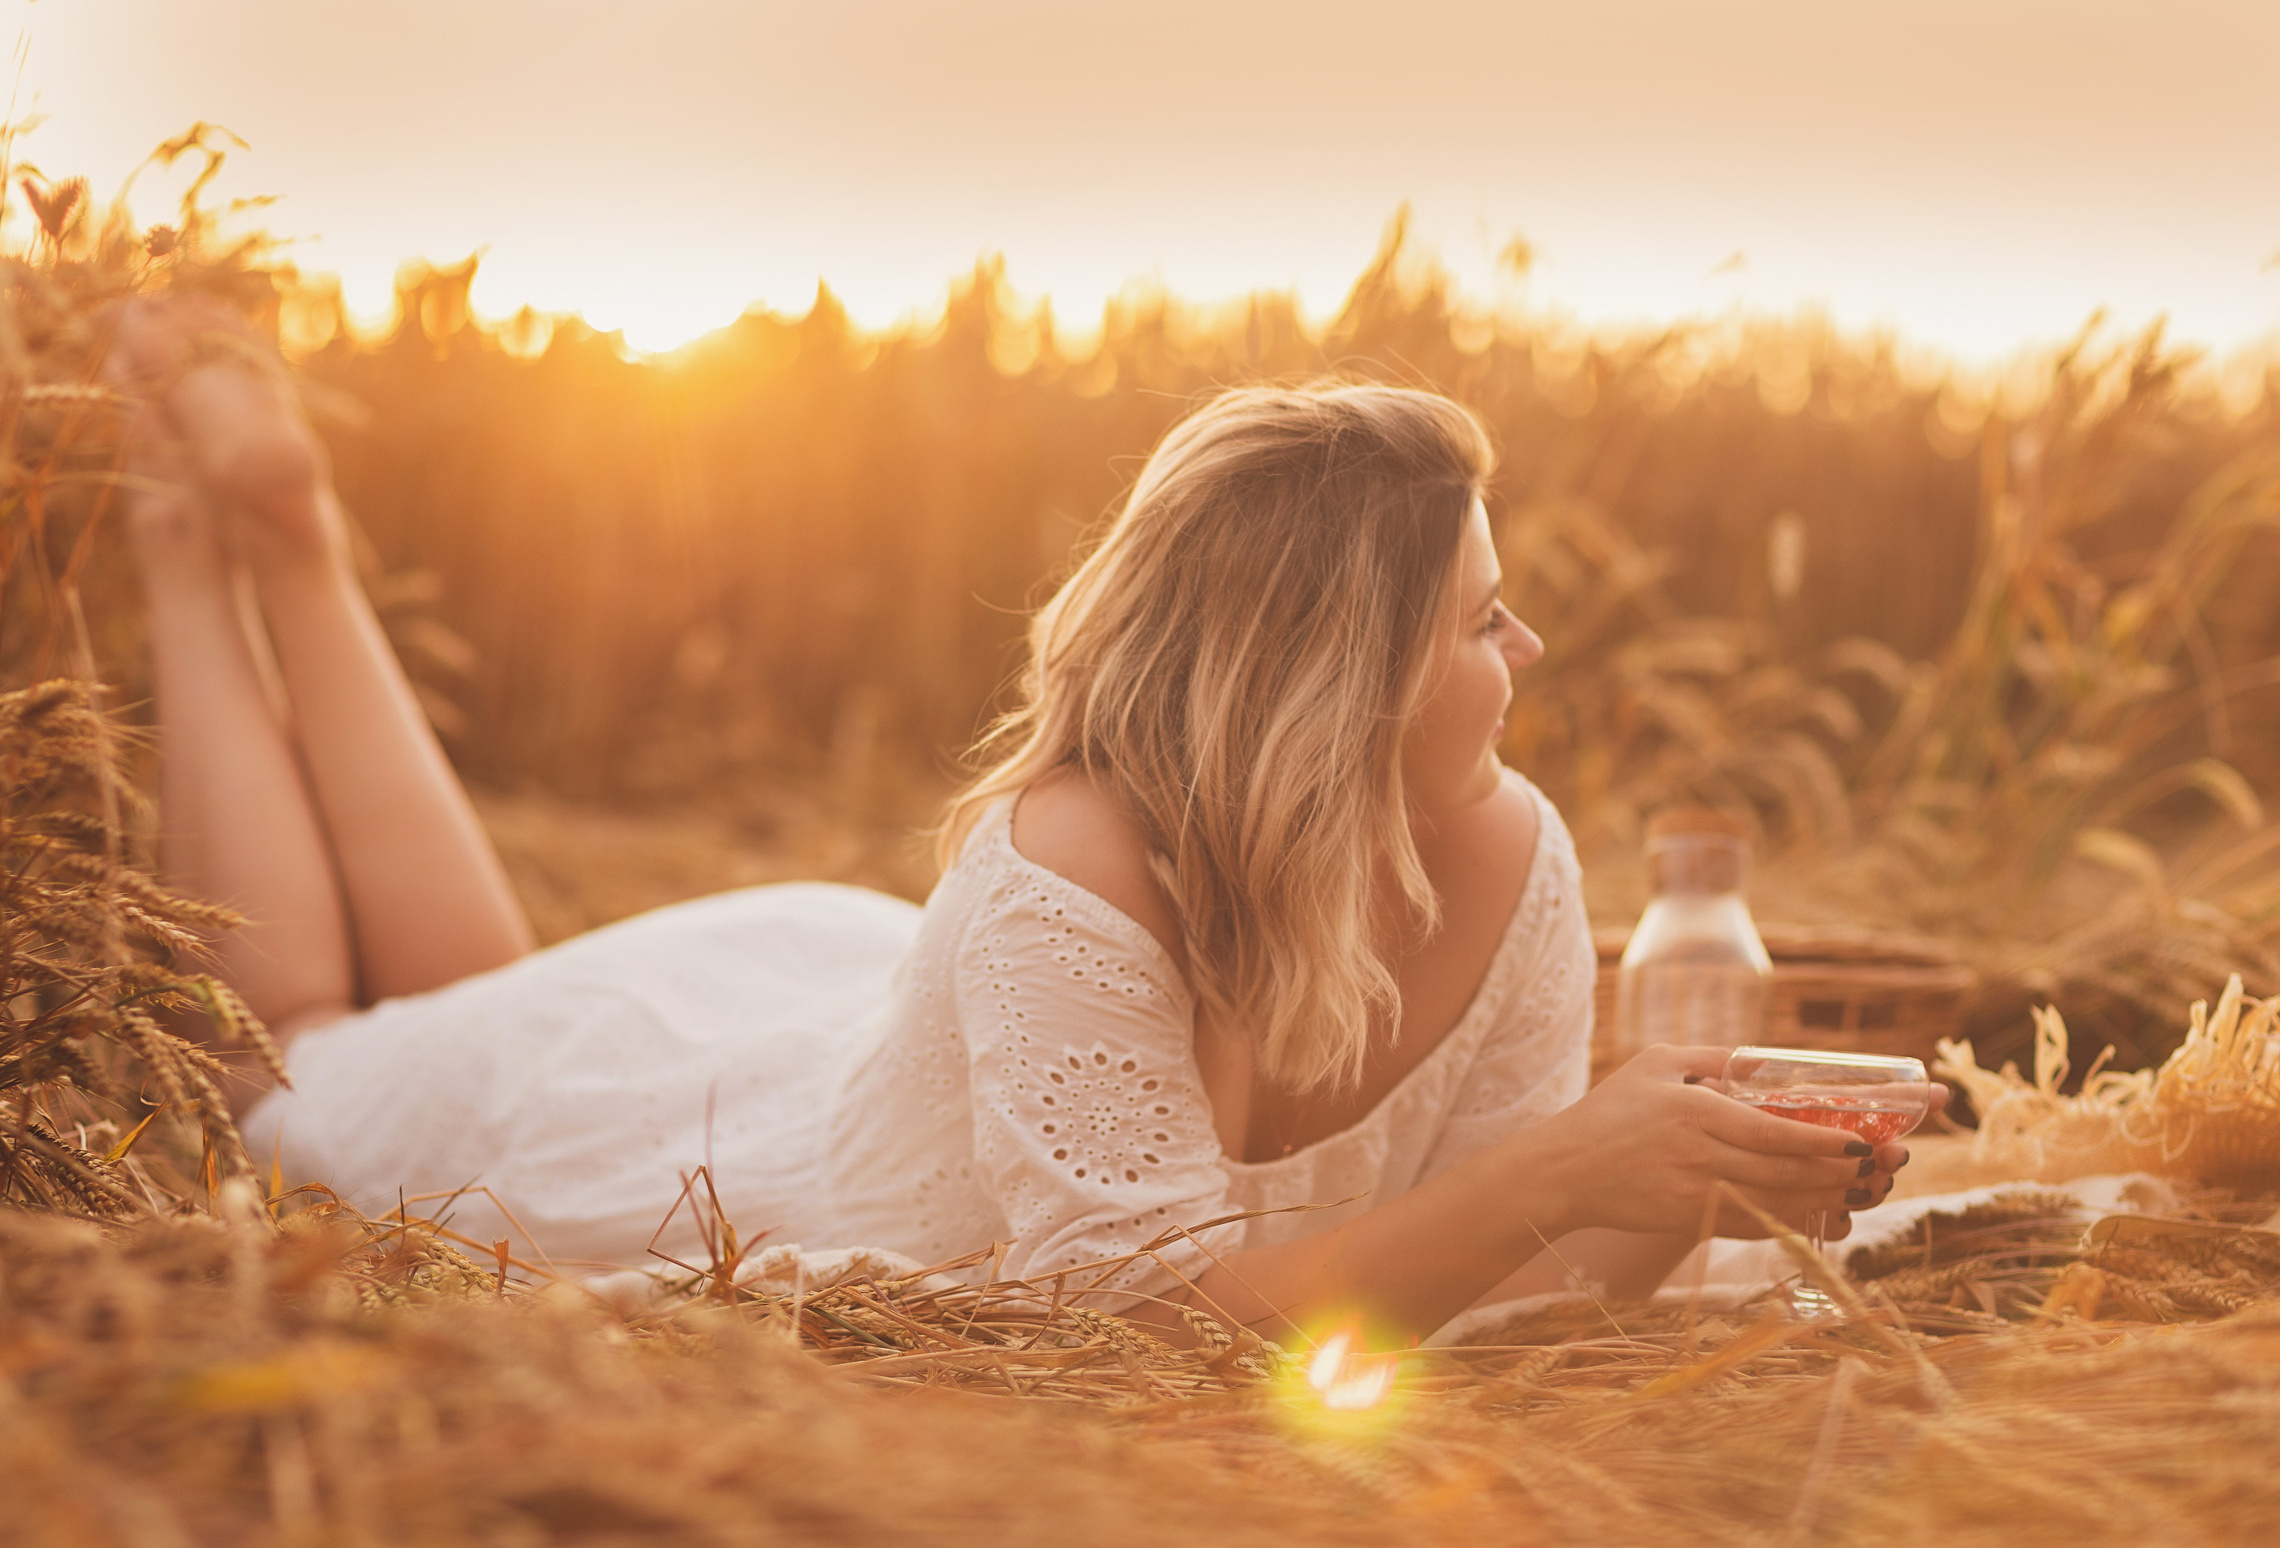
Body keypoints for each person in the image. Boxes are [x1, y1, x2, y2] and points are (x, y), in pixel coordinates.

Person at [116, 302, 1916, 1340]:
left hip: (823, 1001)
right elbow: (1136, 1335)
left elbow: (1484, 1315)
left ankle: (299, 549)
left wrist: (1684, 1179)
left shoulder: (1513, 857)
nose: (1526, 647)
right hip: (715, 1152)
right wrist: (1565, 1168)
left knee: (464, 1012)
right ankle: (207, 548)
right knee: (291, 1064)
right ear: (1337, 690)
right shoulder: (1071, 869)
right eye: (1478, 621)